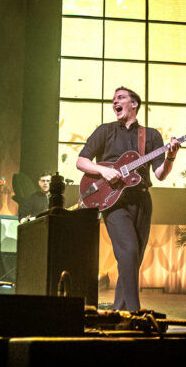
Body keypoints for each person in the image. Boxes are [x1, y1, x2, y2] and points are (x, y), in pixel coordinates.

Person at [76, 86, 179, 311]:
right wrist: (104, 171)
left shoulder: (150, 135)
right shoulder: (105, 131)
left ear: (134, 104)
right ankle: (135, 311)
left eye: (120, 98)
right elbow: (81, 161)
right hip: (113, 202)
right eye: (113, 99)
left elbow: (160, 174)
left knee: (132, 260)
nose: (115, 102)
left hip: (141, 200)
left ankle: (119, 311)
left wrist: (171, 156)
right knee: (129, 251)